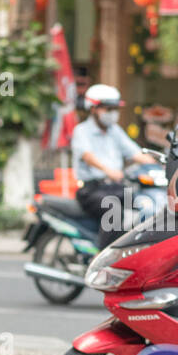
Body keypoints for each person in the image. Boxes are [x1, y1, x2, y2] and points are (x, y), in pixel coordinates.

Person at [72, 83, 157, 246]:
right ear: (93, 109)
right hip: (91, 190)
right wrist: (108, 171)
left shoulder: (115, 131)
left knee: (147, 203)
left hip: (116, 187)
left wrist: (158, 165)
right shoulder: (81, 131)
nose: (112, 114)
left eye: (115, 109)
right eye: (107, 109)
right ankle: (102, 259)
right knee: (114, 209)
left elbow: (136, 153)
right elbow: (87, 155)